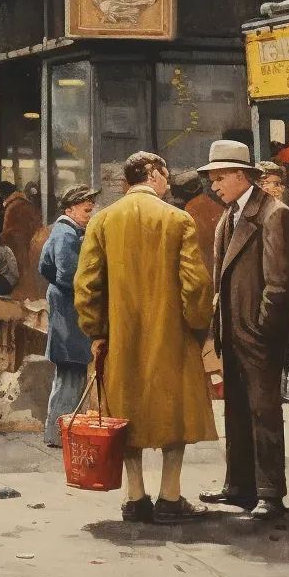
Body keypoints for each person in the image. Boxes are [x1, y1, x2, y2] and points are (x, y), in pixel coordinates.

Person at [74, 152, 216, 524]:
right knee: (174, 411)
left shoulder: (102, 221)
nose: (169, 182)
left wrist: (97, 331)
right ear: (153, 174)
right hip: (172, 335)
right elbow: (196, 283)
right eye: (166, 174)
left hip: (119, 337)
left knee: (124, 412)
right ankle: (170, 496)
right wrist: (198, 326)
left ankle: (135, 497)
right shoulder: (178, 219)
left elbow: (87, 285)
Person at [198, 140, 289, 523]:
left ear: (242, 175)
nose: (214, 185)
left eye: (220, 176)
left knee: (264, 412)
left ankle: (269, 492)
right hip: (234, 330)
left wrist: (263, 328)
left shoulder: (274, 214)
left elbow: (280, 282)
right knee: (238, 411)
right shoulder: (230, 216)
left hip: (258, 333)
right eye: (212, 178)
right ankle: (239, 486)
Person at [38, 185, 98, 447]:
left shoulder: (62, 231)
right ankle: (61, 434)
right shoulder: (66, 233)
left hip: (64, 308)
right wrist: (85, 293)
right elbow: (66, 274)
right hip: (70, 312)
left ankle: (59, 432)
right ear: (69, 209)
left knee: (69, 374)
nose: (89, 214)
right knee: (71, 374)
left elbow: (44, 266)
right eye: (86, 210)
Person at [0, 181, 44, 299]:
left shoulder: (13, 208)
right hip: (32, 246)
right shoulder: (26, 205)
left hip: (19, 249)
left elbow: (9, 233)